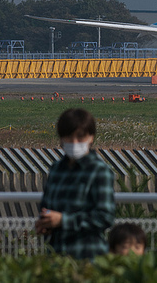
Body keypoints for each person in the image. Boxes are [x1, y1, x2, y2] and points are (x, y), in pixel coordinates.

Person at [35, 108, 116, 259]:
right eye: (69, 137)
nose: (74, 142)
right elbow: (46, 206)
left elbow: (105, 217)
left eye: (80, 137)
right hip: (57, 254)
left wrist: (63, 221)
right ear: (61, 139)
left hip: (88, 255)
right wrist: (45, 223)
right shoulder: (56, 169)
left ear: (91, 137)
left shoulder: (99, 171)